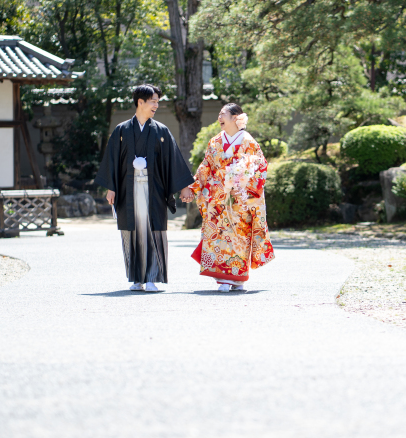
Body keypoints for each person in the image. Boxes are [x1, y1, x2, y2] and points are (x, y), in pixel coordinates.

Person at [95, 84, 195, 292]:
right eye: (153, 101)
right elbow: (112, 161)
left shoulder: (161, 131)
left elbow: (173, 159)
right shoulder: (122, 130)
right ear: (140, 102)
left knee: (153, 230)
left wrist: (184, 187)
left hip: (154, 190)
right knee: (131, 232)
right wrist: (111, 187)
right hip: (127, 190)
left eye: (157, 101)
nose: (156, 105)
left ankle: (152, 277)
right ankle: (136, 278)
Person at [181, 103, 275, 292]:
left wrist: (245, 184)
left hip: (240, 198)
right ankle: (223, 278)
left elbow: (260, 167)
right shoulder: (215, 141)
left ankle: (238, 277)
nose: (219, 118)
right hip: (218, 198)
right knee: (219, 236)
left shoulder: (249, 142)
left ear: (235, 118)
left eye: (222, 114)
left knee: (239, 236)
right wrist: (191, 187)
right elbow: (206, 166)